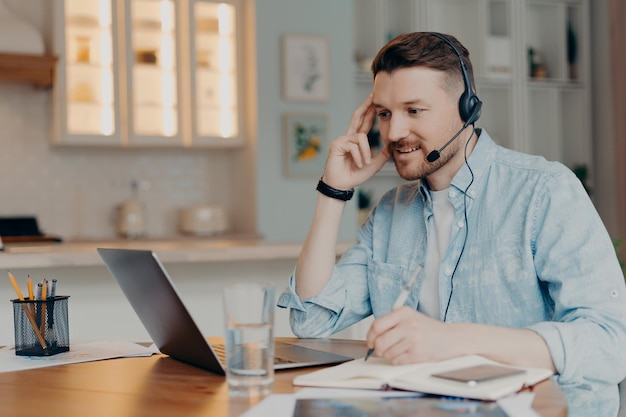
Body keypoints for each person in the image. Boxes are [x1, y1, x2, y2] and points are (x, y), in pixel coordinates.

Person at [276, 32, 626, 417]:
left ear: (467, 108)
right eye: (385, 113)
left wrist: (452, 341)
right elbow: (311, 319)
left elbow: (610, 342)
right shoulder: (391, 213)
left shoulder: (544, 191)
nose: (393, 134)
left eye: (414, 110)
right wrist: (332, 191)